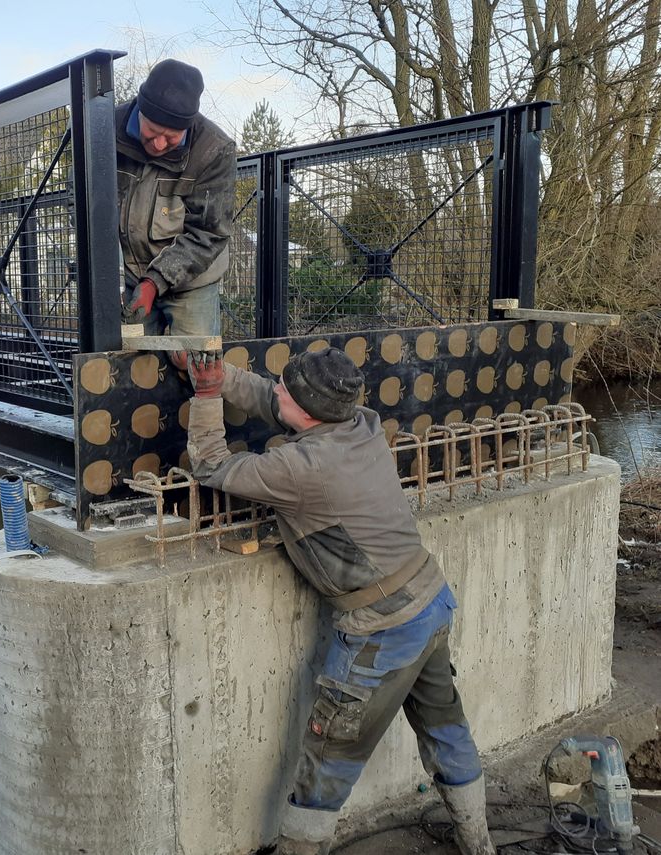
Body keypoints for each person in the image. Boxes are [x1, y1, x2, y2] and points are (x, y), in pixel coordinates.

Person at [179, 347, 494, 855]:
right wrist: (219, 373)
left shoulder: (302, 467)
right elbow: (273, 399)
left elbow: (211, 465)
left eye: (284, 385)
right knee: (444, 725)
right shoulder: (360, 422)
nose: (274, 388)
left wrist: (207, 393)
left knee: (329, 756)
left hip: (383, 629)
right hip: (429, 601)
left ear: (307, 410)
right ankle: (479, 845)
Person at [117, 59, 236, 337]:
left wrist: (155, 281)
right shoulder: (104, 129)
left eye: (171, 137)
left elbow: (209, 233)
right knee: (129, 367)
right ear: (140, 110)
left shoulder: (214, 149)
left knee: (196, 364)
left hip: (192, 280)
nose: (158, 144)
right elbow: (82, 198)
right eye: (152, 132)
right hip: (128, 277)